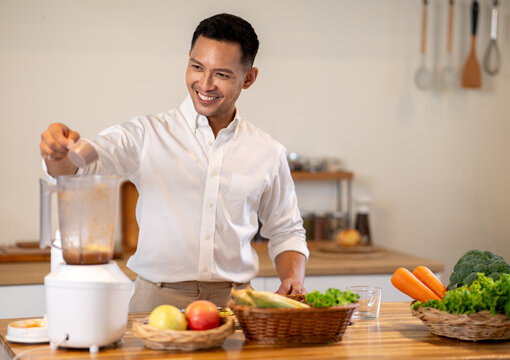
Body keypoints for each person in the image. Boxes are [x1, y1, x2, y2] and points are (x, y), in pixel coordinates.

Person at [39, 13, 309, 311]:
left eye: (221, 74)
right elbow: (78, 169)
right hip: (156, 302)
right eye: (197, 67)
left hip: (238, 304)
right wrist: (57, 153)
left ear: (248, 78)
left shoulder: (267, 150)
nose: (204, 84)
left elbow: (286, 230)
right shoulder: (145, 134)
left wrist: (293, 278)